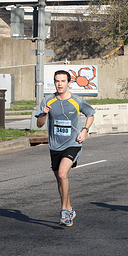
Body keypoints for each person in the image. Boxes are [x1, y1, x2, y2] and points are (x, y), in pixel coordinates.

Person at [36, 69, 95, 227]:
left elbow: (90, 114)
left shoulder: (77, 100)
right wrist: (43, 114)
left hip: (73, 143)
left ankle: (63, 211)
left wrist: (85, 130)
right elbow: (39, 124)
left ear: (69, 83)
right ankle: (69, 208)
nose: (59, 84)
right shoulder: (48, 100)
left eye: (63, 81)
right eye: (57, 81)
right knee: (60, 180)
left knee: (62, 174)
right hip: (55, 145)